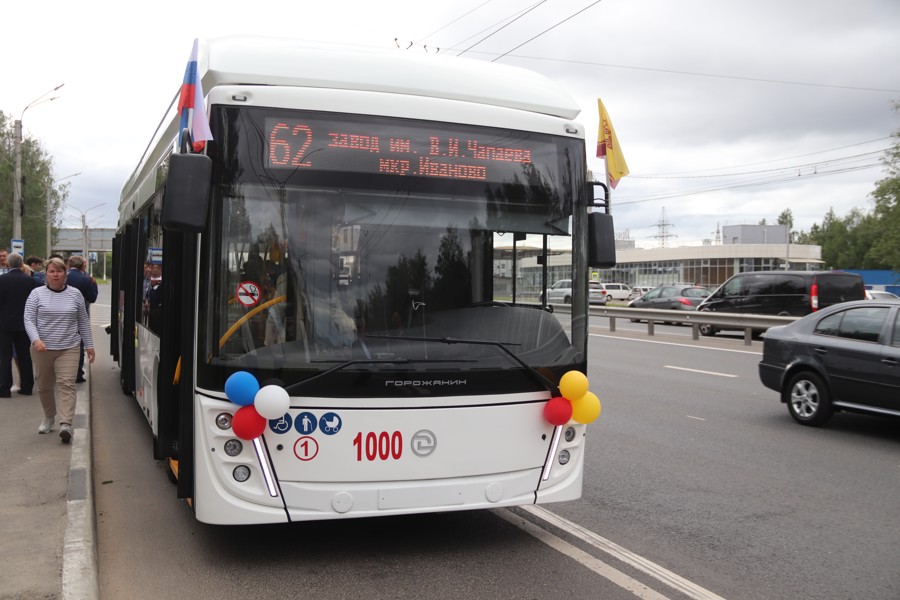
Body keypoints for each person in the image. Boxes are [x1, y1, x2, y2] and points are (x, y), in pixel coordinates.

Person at [24, 257, 95, 443]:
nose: (56, 275)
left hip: (69, 347)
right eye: (52, 271)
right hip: (42, 349)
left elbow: (83, 322)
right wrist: (36, 339)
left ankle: (66, 424)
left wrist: (89, 345)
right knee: (44, 386)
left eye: (59, 271)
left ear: (66, 273)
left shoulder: (75, 294)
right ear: (46, 274)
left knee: (66, 384)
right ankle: (49, 418)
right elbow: (29, 319)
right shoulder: (36, 294)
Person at [0, 253, 39, 398]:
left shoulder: (2, 280)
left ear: (8, 264)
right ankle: (27, 387)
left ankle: (4, 388)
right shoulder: (30, 281)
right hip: (24, 324)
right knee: (24, 355)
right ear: (22, 264)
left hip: (4, 325)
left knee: (4, 357)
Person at [65, 255, 98, 383]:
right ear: (81, 266)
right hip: (79, 316)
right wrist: (94, 284)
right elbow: (92, 298)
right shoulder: (86, 280)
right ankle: (77, 373)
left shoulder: (63, 277)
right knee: (78, 344)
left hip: (61, 316)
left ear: (69, 265)